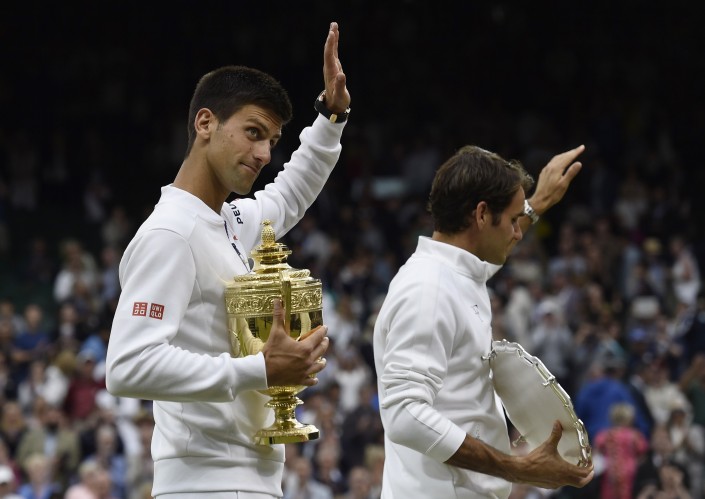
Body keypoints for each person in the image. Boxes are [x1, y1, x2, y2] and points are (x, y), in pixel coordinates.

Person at [105, 21, 350, 498]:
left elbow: (290, 193)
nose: (263, 154)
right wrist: (261, 370)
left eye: (271, 142)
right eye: (253, 133)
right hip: (207, 482)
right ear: (205, 124)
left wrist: (331, 116)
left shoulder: (229, 221)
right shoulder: (171, 233)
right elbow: (128, 366)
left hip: (247, 478)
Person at [372, 145, 595, 498]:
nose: (517, 232)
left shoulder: (455, 273)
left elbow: (485, 264)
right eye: (512, 220)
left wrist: (538, 203)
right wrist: (519, 467)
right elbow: (404, 415)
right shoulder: (428, 291)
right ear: (480, 214)